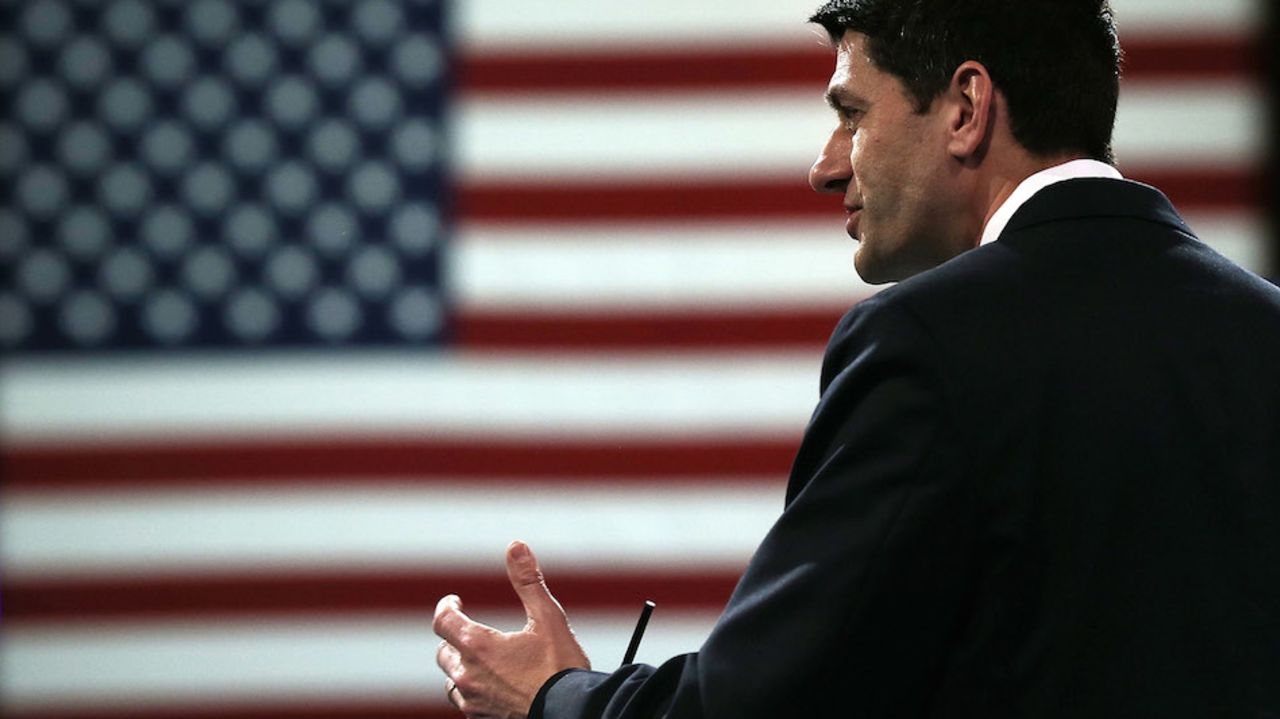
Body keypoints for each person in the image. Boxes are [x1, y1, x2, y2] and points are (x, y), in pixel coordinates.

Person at [433, 0, 1280, 716]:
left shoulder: (929, 342)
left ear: (965, 107)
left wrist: (558, 694)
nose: (824, 167)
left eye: (851, 113)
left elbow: (768, 699)